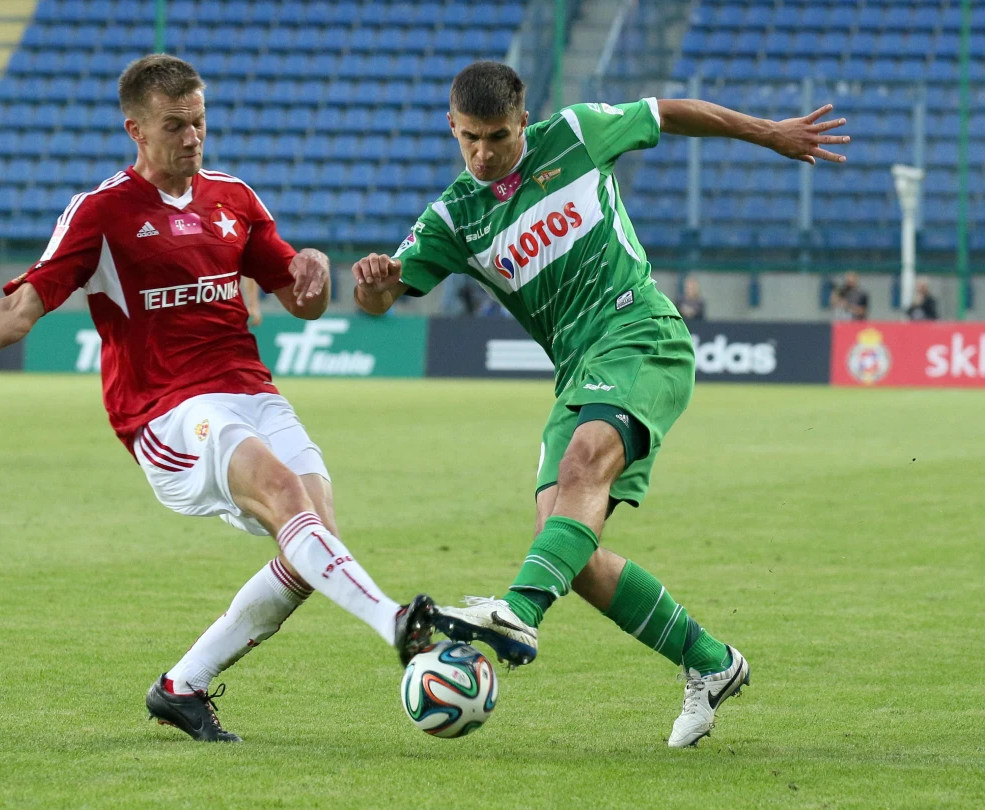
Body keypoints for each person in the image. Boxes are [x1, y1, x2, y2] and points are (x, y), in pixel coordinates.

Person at [0, 54, 453, 743]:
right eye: (176, 125)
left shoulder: (234, 200)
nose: (193, 137)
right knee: (285, 493)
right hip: (166, 410)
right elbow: (19, 313)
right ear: (136, 129)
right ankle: (397, 623)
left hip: (251, 390)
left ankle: (181, 687)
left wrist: (312, 271)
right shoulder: (102, 213)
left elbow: (300, 299)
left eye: (199, 122)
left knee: (314, 540)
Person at [353, 61, 850, 747]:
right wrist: (374, 283)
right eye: (469, 137)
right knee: (570, 554)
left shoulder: (578, 134)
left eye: (497, 136)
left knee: (583, 471)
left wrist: (770, 133)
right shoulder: (453, 219)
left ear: (523, 121)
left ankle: (518, 611)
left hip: (640, 332)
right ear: (451, 125)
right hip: (576, 373)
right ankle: (711, 665)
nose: (482, 152)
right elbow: (380, 299)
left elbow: (667, 110)